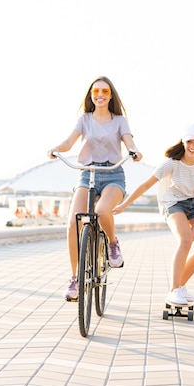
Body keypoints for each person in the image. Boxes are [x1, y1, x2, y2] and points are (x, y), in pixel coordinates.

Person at [47, 76, 143, 300]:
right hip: (87, 174)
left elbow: (129, 142)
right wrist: (56, 149)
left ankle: (112, 243)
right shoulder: (85, 119)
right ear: (91, 95)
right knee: (74, 222)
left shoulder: (119, 120)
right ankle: (76, 278)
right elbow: (69, 143)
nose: (100, 95)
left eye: (105, 92)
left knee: (100, 212)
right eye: (96, 91)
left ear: (111, 96)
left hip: (112, 174)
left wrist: (135, 152)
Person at [113, 123, 194, 305]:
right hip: (173, 202)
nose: (192, 147)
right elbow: (146, 185)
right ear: (183, 142)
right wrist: (124, 205)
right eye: (189, 142)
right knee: (185, 240)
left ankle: (181, 286)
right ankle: (174, 290)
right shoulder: (171, 163)